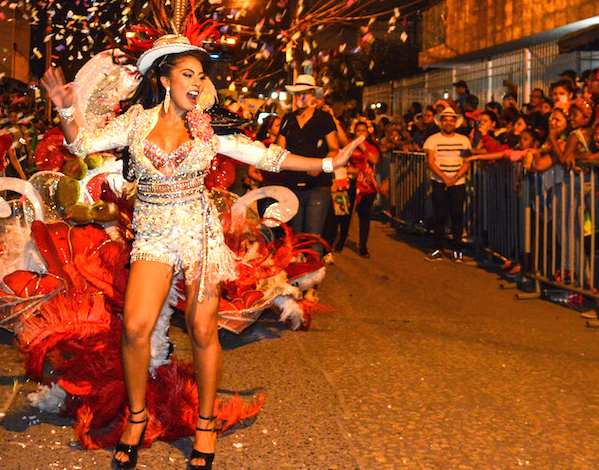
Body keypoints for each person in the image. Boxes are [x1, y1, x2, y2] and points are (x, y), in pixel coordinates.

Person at [41, 36, 362, 470]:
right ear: (164, 77)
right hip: (153, 233)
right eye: (187, 74)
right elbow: (81, 145)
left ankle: (206, 423)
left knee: (201, 327)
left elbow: (268, 156)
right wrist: (65, 107)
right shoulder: (135, 121)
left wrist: (327, 164)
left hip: (199, 233)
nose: (197, 82)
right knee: (135, 328)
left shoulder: (208, 127)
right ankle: (136, 417)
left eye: (201, 75)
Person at [275, 74, 340, 248]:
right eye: (296, 94)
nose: (298, 98)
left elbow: (334, 149)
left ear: (312, 95)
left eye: (303, 93)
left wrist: (320, 166)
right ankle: (297, 273)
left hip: (318, 186)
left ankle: (314, 271)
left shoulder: (323, 118)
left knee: (313, 236)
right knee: (294, 237)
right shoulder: (288, 119)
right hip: (292, 184)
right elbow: (279, 150)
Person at [424, 108, 475, 262]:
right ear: (441, 122)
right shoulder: (432, 139)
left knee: (457, 216)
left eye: (451, 120)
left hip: (458, 182)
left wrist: (456, 177)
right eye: (445, 120)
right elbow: (430, 162)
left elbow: (467, 162)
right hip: (439, 181)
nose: (448, 123)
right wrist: (445, 178)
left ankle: (457, 250)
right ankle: (438, 248)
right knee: (439, 215)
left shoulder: (464, 140)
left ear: (455, 123)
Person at [327, 120, 380, 257]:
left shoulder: (371, 146)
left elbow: (374, 160)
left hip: (367, 186)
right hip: (349, 183)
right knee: (345, 214)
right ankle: (341, 240)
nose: (361, 133)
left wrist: (363, 148)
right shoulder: (348, 146)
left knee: (364, 216)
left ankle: (363, 246)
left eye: (364, 131)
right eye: (358, 131)